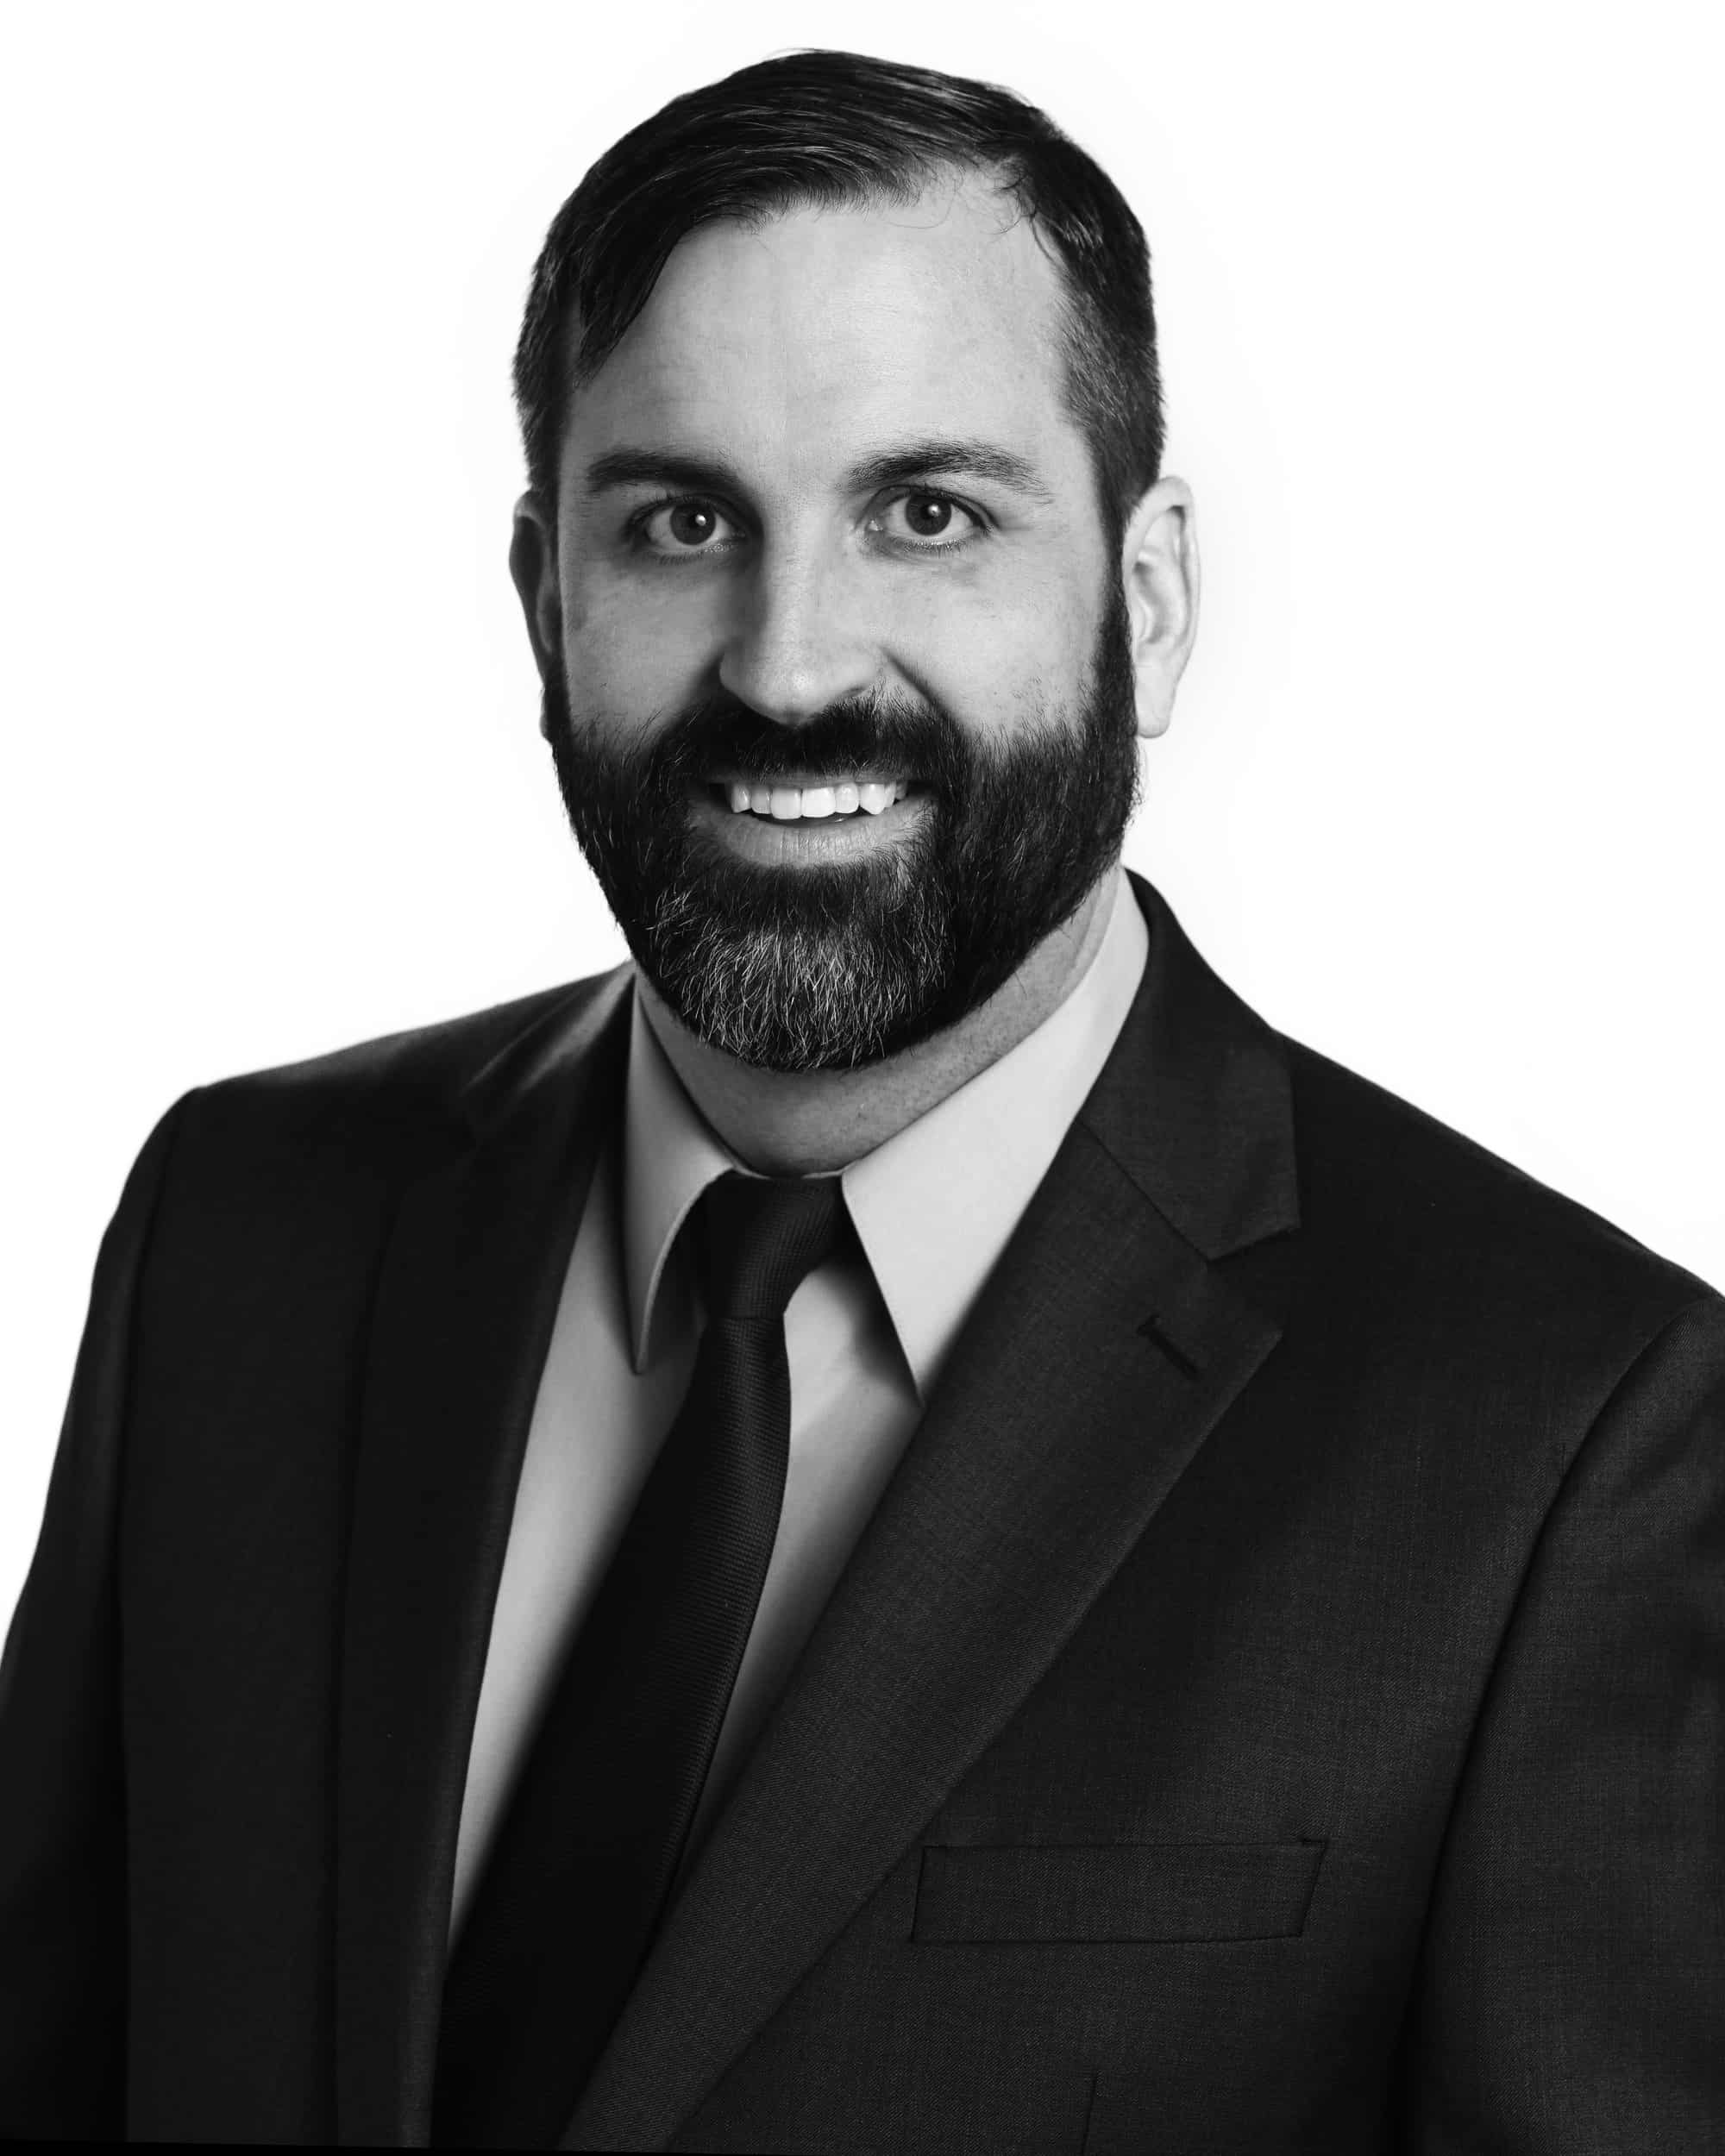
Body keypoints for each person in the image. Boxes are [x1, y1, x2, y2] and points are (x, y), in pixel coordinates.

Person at [2, 46, 1720, 2154]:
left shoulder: (1571, 1439)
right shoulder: (242, 1227)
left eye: (928, 514)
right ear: (544, 599)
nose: (789, 663)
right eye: (680, 521)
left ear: (1149, 600)